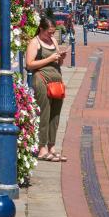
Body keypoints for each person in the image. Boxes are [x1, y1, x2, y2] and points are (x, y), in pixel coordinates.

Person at [26, 17, 68, 162]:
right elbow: (29, 64)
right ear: (41, 29)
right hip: (42, 80)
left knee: (55, 115)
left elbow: (58, 63)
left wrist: (60, 58)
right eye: (49, 33)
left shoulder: (54, 41)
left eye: (53, 32)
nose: (51, 35)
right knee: (44, 113)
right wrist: (50, 59)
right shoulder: (35, 42)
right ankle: (41, 148)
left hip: (56, 81)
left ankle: (52, 147)